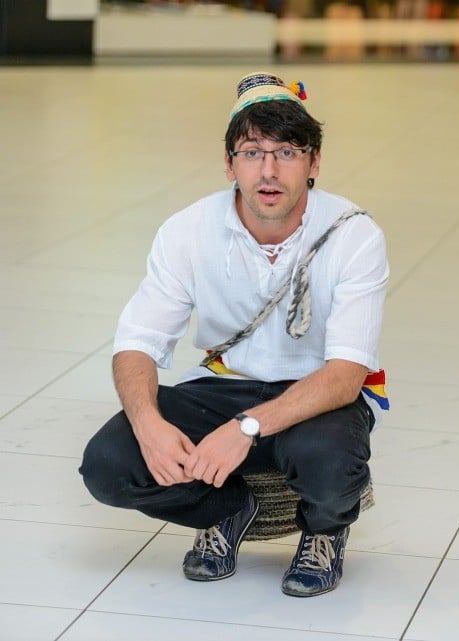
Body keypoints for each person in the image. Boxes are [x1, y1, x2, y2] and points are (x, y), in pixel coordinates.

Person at [79, 72, 389, 598]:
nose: (269, 171)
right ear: (229, 164)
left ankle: (325, 531)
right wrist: (149, 422)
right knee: (108, 464)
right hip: (223, 384)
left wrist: (244, 429)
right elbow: (137, 341)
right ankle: (226, 511)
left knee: (330, 462)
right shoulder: (187, 230)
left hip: (314, 394)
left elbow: (344, 376)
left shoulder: (354, 233)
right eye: (251, 152)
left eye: (287, 151)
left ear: (314, 163)